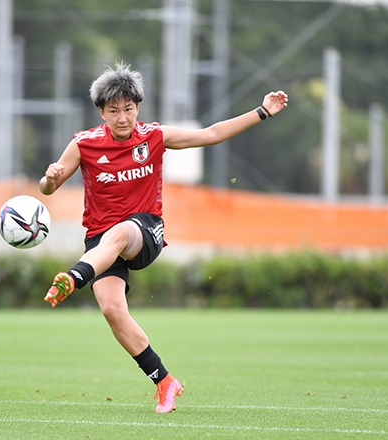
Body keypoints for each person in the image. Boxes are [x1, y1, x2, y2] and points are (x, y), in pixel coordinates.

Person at [39, 62, 288, 413]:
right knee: (112, 310)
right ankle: (165, 381)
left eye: (128, 109)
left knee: (120, 231)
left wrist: (262, 112)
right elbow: (48, 188)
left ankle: (74, 278)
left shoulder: (154, 136)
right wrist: (49, 179)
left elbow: (211, 134)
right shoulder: (83, 144)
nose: (123, 118)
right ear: (101, 112)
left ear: (137, 107)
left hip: (145, 230)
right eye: (114, 111)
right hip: (100, 243)